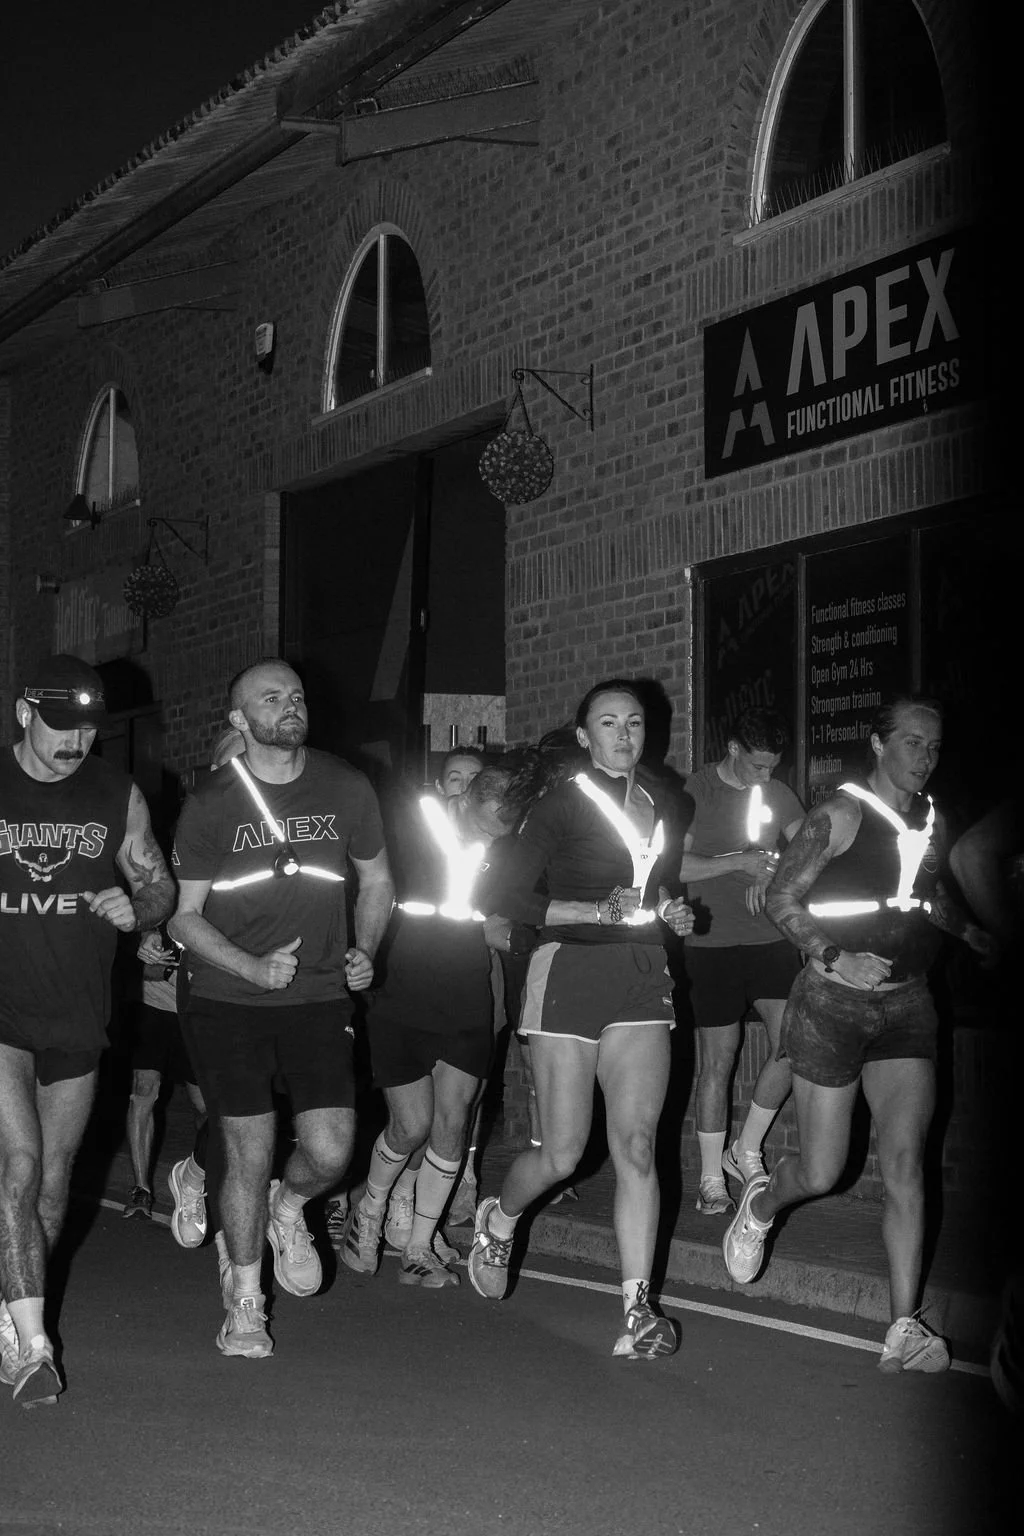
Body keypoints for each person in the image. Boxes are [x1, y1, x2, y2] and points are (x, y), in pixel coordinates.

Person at [723, 696, 994, 1372]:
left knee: (906, 1166)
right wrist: (836, 956)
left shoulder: (930, 819)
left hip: (908, 1007)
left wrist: (973, 933)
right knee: (823, 1170)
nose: (924, 757)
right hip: (832, 1005)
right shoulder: (839, 816)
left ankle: (904, 1326)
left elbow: (925, 898)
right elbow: (782, 896)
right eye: (911, 742)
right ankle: (760, 1206)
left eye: (933, 746)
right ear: (877, 744)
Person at [169, 660, 394, 1359]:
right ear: (240, 720)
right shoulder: (211, 802)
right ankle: (245, 1302)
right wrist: (251, 967)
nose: (289, 705)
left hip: (319, 995)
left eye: (295, 695)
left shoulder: (346, 786)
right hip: (228, 998)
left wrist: (365, 948)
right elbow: (183, 918)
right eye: (270, 698)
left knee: (330, 1152)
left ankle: (287, 1208)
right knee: (250, 1149)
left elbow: (378, 881)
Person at [467, 681, 694, 1359]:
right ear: (585, 736)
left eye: (634, 723)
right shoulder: (562, 802)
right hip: (568, 971)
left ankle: (638, 1309)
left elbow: (653, 884)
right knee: (564, 1155)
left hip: (641, 973)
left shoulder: (664, 802)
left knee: (637, 1146)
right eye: (609, 723)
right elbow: (501, 894)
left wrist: (671, 909)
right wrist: (596, 912)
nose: (624, 734)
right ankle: (500, 1220)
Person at [0, 654, 175, 1407]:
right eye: (60, 726)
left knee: (53, 1188)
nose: (75, 742)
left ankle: (11, 1297)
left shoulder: (115, 793)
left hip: (76, 1015)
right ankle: (32, 1345)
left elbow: (159, 884)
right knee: (19, 1167)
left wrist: (139, 909)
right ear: (24, 714)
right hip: (1, 1014)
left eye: (87, 730)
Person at [341, 758, 540, 1286]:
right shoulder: (406, 821)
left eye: (500, 833)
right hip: (400, 987)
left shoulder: (508, 844)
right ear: (466, 797)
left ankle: (420, 1244)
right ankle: (369, 1211)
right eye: (484, 826)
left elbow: (507, 913)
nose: (490, 840)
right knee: (411, 1125)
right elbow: (367, 887)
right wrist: (359, 953)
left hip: (467, 991)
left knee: (453, 1122)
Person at [680, 709, 805, 1213]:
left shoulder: (777, 792)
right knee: (719, 1060)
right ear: (733, 749)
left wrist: (771, 871)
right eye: (758, 765)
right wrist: (740, 862)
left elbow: (812, 854)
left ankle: (745, 1148)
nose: (766, 775)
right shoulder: (698, 790)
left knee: (794, 1043)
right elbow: (675, 866)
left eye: (773, 765)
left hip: (770, 939)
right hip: (711, 942)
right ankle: (711, 1178)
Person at [121, 924, 207, 1226]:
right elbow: (129, 960)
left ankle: (198, 1174)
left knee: (204, 1107)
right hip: (152, 1007)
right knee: (143, 1090)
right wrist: (151, 957)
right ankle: (140, 1188)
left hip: (196, 1012)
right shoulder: (157, 903)